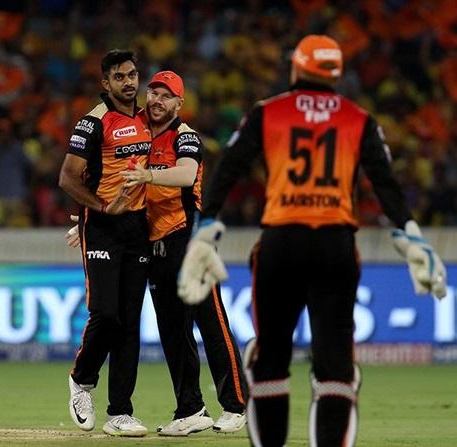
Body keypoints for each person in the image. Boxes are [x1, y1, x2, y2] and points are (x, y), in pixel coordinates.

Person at [177, 35, 447, 447]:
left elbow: (227, 170)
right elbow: (386, 185)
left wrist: (206, 226)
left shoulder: (268, 113)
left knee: (270, 361)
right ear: (336, 75)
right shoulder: (359, 118)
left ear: (296, 70)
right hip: (336, 246)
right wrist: (410, 233)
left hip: (280, 244)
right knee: (336, 369)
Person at [120, 70, 248, 436]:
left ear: (180, 103)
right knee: (172, 329)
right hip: (154, 242)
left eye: (166, 96)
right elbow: (119, 180)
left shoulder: (185, 136)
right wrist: (88, 221)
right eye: (153, 93)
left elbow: (187, 175)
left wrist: (148, 176)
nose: (157, 101)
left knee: (210, 319)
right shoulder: (136, 133)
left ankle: (237, 404)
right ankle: (191, 409)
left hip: (188, 235)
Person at [58, 49, 152, 437]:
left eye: (132, 74)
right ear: (106, 83)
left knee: (130, 322)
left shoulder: (150, 119)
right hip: (102, 227)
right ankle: (81, 381)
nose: (128, 82)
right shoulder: (93, 122)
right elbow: (67, 178)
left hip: (138, 229)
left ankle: (120, 412)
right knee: (106, 314)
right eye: (119, 76)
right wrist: (98, 209)